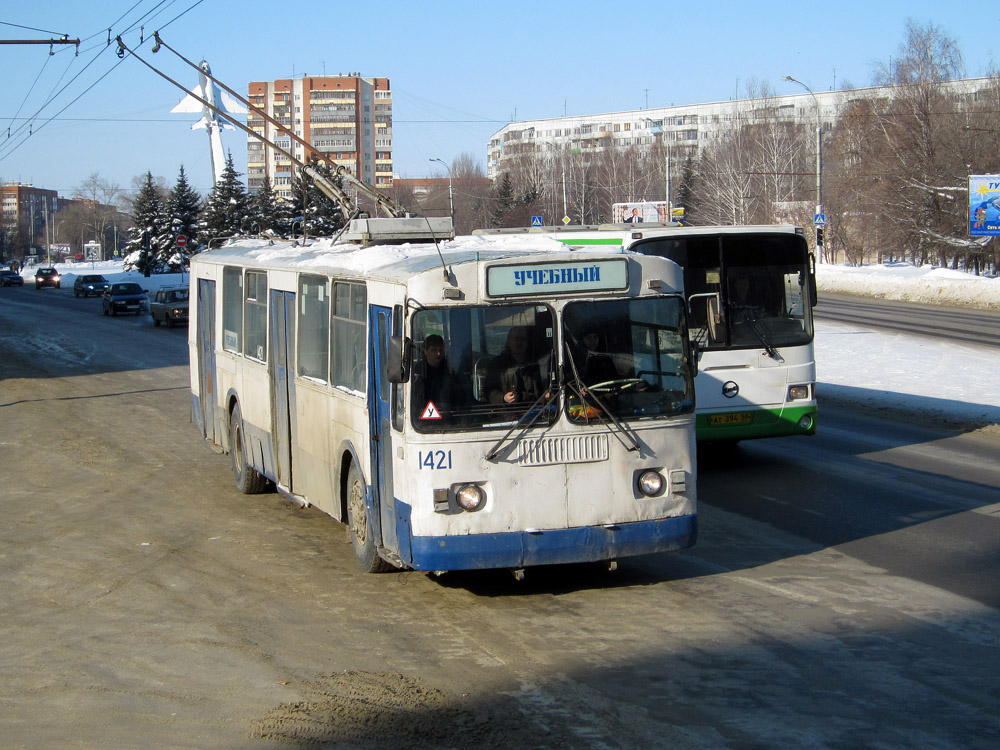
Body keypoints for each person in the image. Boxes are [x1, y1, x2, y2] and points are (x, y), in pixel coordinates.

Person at [487, 326, 545, 404]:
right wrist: (503, 398)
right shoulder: (497, 363)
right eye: (516, 339)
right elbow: (488, 391)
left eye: (523, 339)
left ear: (527, 343)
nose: (519, 342)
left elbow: (541, 390)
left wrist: (546, 395)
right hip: (506, 410)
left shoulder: (535, 363)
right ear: (509, 342)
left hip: (533, 409)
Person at [417, 334, 462, 412]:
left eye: (441, 350)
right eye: (434, 350)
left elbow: (459, 394)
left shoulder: (451, 369)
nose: (438, 353)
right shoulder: (417, 371)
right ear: (425, 351)